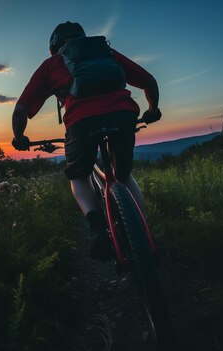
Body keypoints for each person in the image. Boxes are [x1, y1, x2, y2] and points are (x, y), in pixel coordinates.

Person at [11, 21, 161, 260]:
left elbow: (21, 109)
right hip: (123, 115)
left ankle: (97, 230)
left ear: (54, 48)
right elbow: (149, 81)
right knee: (122, 175)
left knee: (79, 175)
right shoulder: (106, 52)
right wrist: (153, 109)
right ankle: (144, 232)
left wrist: (19, 137)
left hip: (81, 124)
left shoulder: (51, 65)